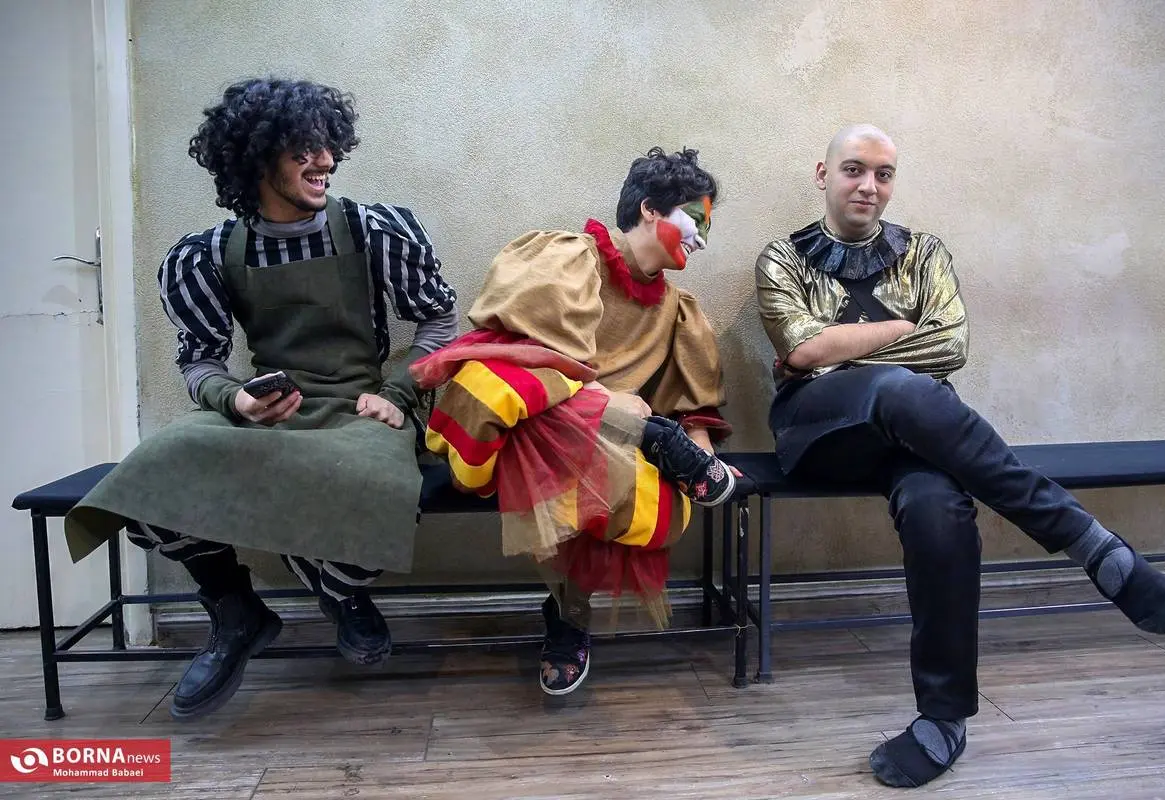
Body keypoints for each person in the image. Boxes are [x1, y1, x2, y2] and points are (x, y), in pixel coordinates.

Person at [754, 123, 1165, 787]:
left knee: (938, 504)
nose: (869, 186)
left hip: (919, 430)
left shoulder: (925, 252)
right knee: (901, 389)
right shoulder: (781, 259)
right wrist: (896, 333)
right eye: (853, 169)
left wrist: (836, 351)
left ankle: (944, 717)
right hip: (821, 431)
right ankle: (1084, 538)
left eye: (883, 174)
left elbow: (950, 345)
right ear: (823, 174)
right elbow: (800, 349)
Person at [64, 77, 460, 720]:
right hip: (269, 410)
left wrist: (398, 392)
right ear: (256, 158)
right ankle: (234, 610)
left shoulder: (375, 230)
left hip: (360, 409)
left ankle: (341, 592)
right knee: (151, 473)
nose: (325, 160)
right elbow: (199, 360)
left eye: (328, 145)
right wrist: (235, 400)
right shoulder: (208, 254)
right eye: (303, 148)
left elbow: (440, 323)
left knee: (381, 494)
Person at [411, 147, 735, 696]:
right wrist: (606, 402)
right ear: (651, 209)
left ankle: (569, 616)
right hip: (525, 426)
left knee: (607, 475)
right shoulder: (569, 256)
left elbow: (693, 399)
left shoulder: (678, 310)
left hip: (598, 447)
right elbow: (522, 349)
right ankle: (651, 436)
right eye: (696, 220)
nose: (703, 239)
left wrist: (703, 456)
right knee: (500, 384)